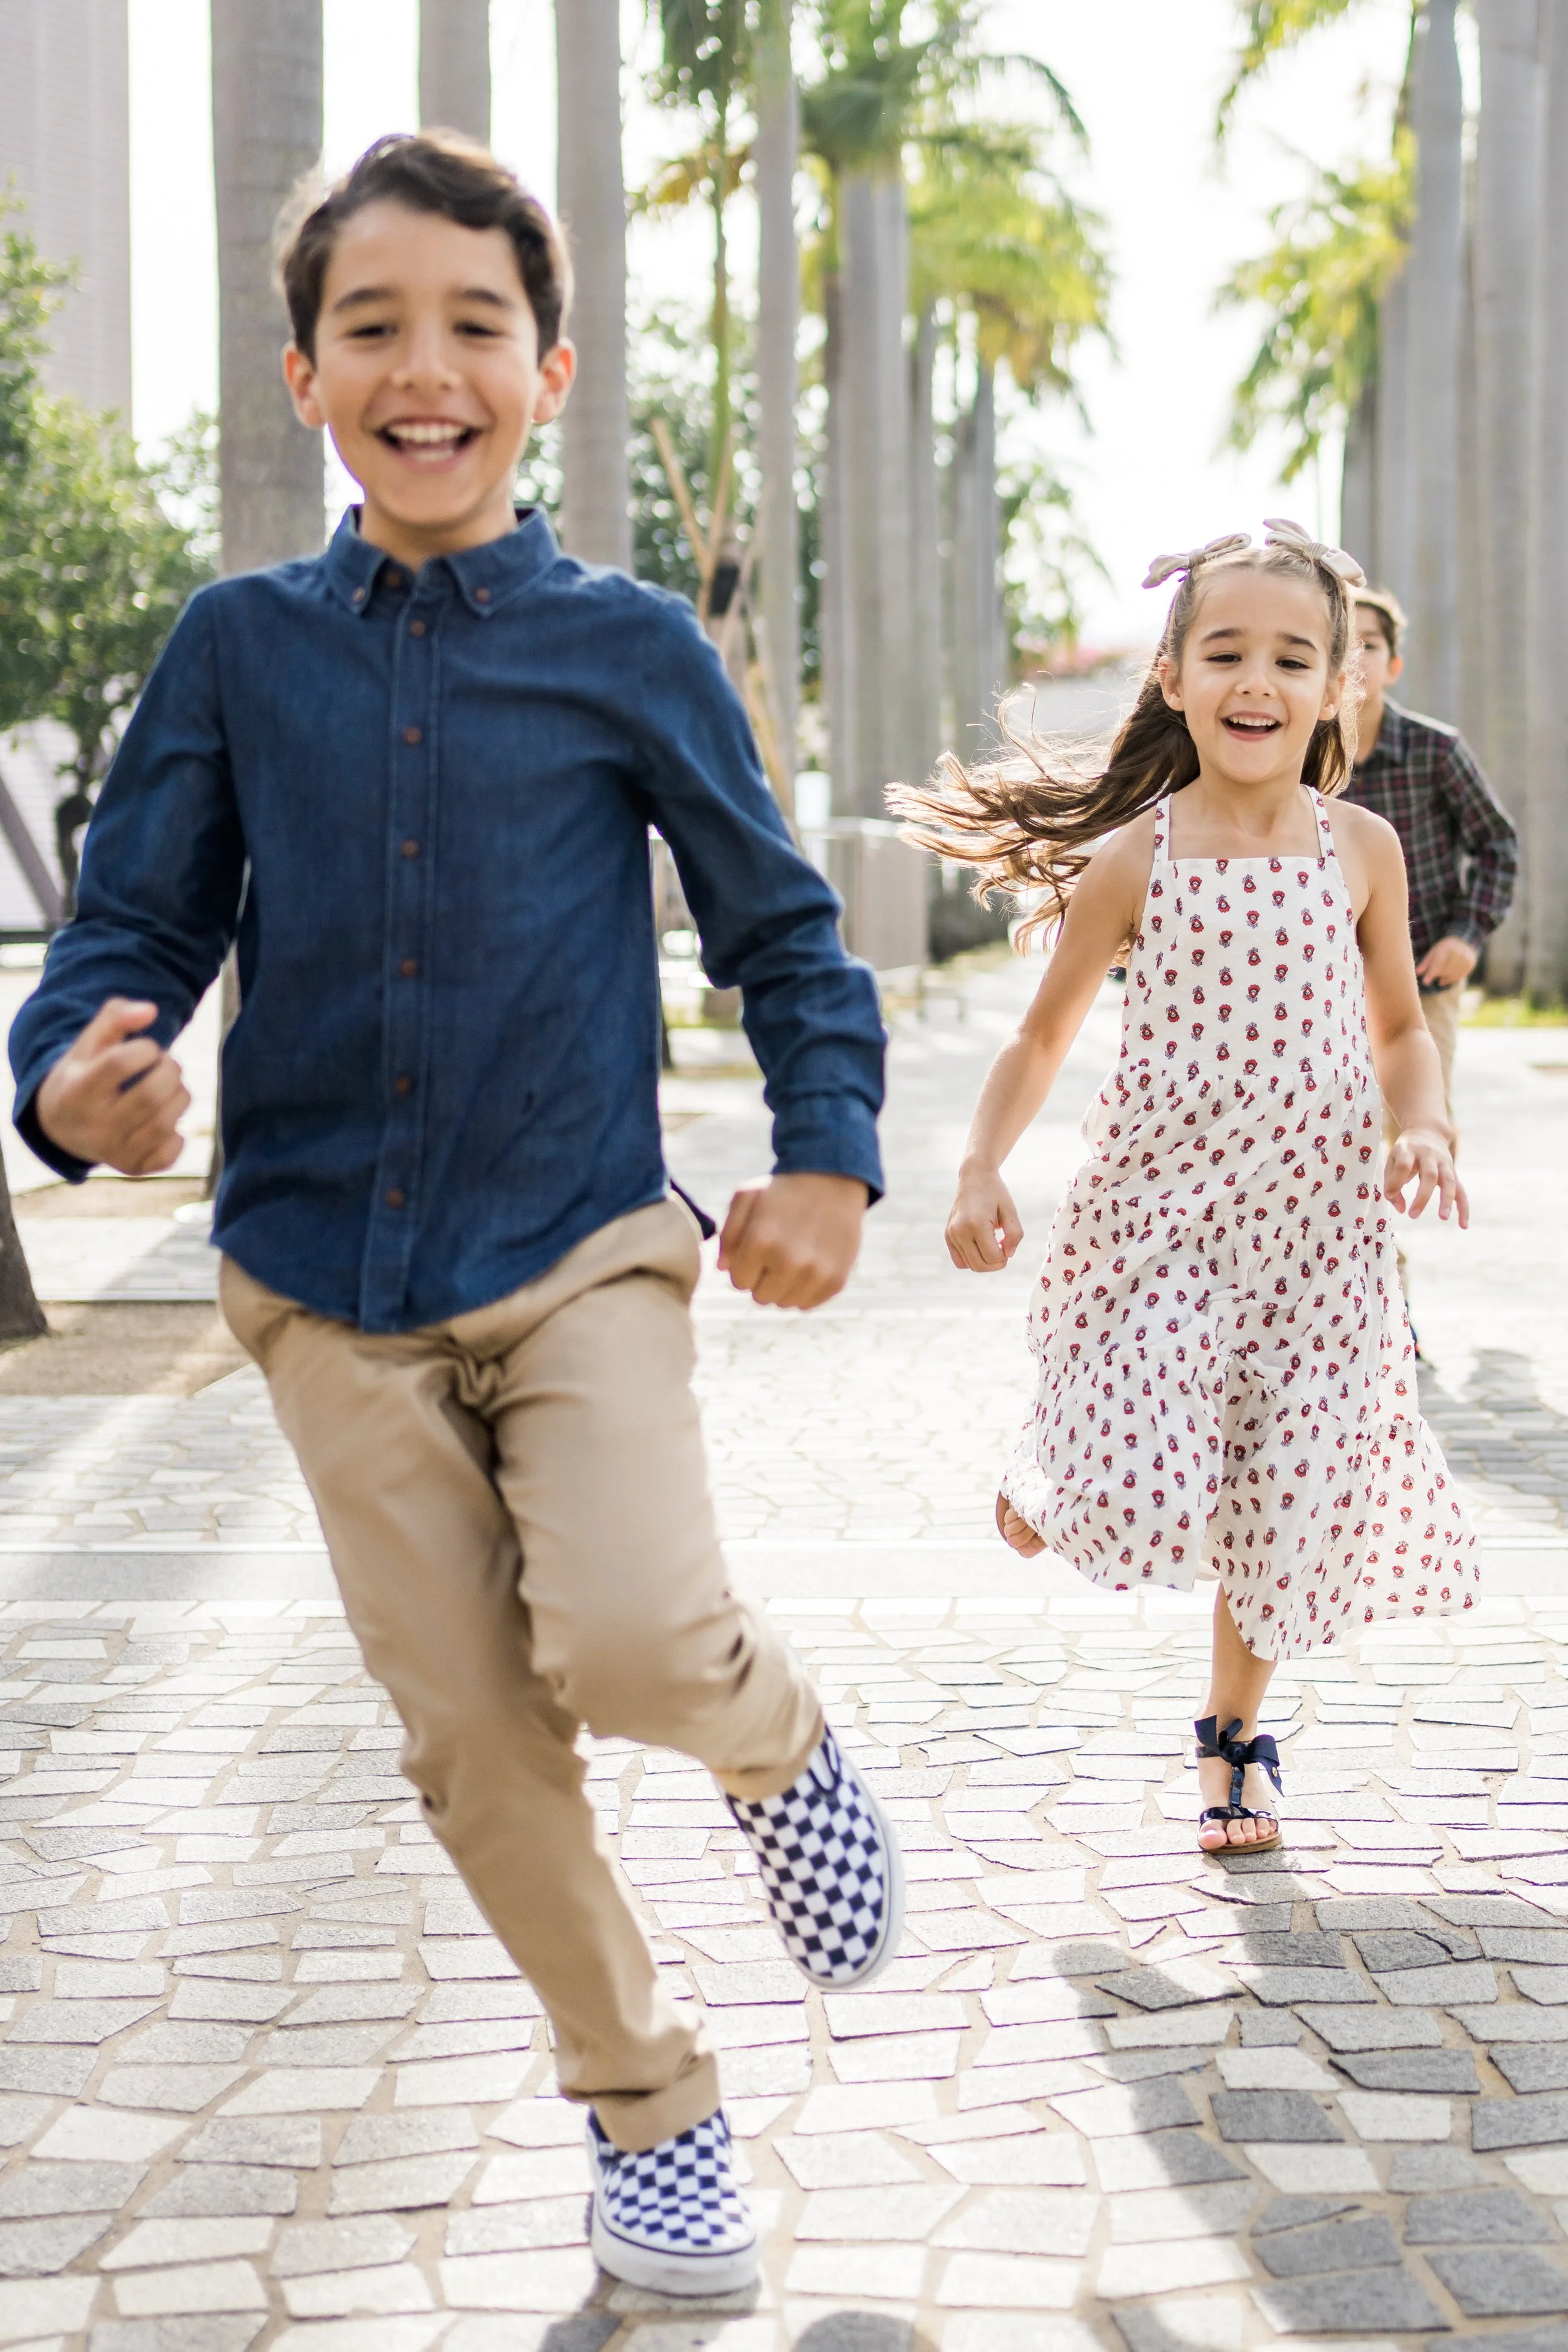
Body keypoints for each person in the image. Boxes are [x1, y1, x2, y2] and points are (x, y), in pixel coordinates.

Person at [7, 133, 904, 2299]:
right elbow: (132, 925)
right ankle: (652, 2110)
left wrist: (825, 1152)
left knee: (631, 1639)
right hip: (322, 1278)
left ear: (550, 372)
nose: (426, 368)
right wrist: (71, 1078)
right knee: (478, 1740)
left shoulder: (631, 651)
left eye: (473, 326)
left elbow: (780, 928)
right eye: (373, 327)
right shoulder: (234, 652)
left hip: (580, 1236)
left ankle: (770, 1739)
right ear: (305, 375)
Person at [893, 521, 1477, 1857]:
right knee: (1138, 1485)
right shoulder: (1135, 858)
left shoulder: (1362, 849)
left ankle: (1233, 1742)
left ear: (1336, 686)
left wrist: (1427, 1126)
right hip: (1164, 1228)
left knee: (1285, 1502)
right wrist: (980, 1163)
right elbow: (1041, 1035)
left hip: (1318, 1246)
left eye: (1291, 657)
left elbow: (1398, 1029)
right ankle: (1054, 1467)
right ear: (1172, 677)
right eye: (1224, 652)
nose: (1255, 679)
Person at [1343, 588, 1518, 1134]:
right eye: (1340, 644)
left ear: (1394, 665)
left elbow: (1497, 845)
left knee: (1421, 1119)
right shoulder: (1298, 755)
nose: (1354, 658)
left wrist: (1467, 936)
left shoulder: (1436, 750)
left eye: (1369, 645)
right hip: (1331, 975)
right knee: (1343, 1124)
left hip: (1424, 970)